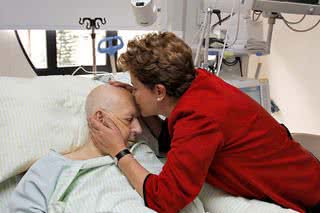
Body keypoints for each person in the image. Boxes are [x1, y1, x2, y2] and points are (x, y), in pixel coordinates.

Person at [88, 32, 320, 213]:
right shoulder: (197, 80)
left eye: (136, 87)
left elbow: (165, 199)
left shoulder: (198, 119)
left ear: (159, 91)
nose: (133, 93)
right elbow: (177, 140)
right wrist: (144, 99)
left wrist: (119, 152)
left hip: (310, 194)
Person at [8, 84, 204, 213]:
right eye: (129, 119)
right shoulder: (52, 167)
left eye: (139, 119)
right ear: (100, 118)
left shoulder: (143, 151)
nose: (137, 128)